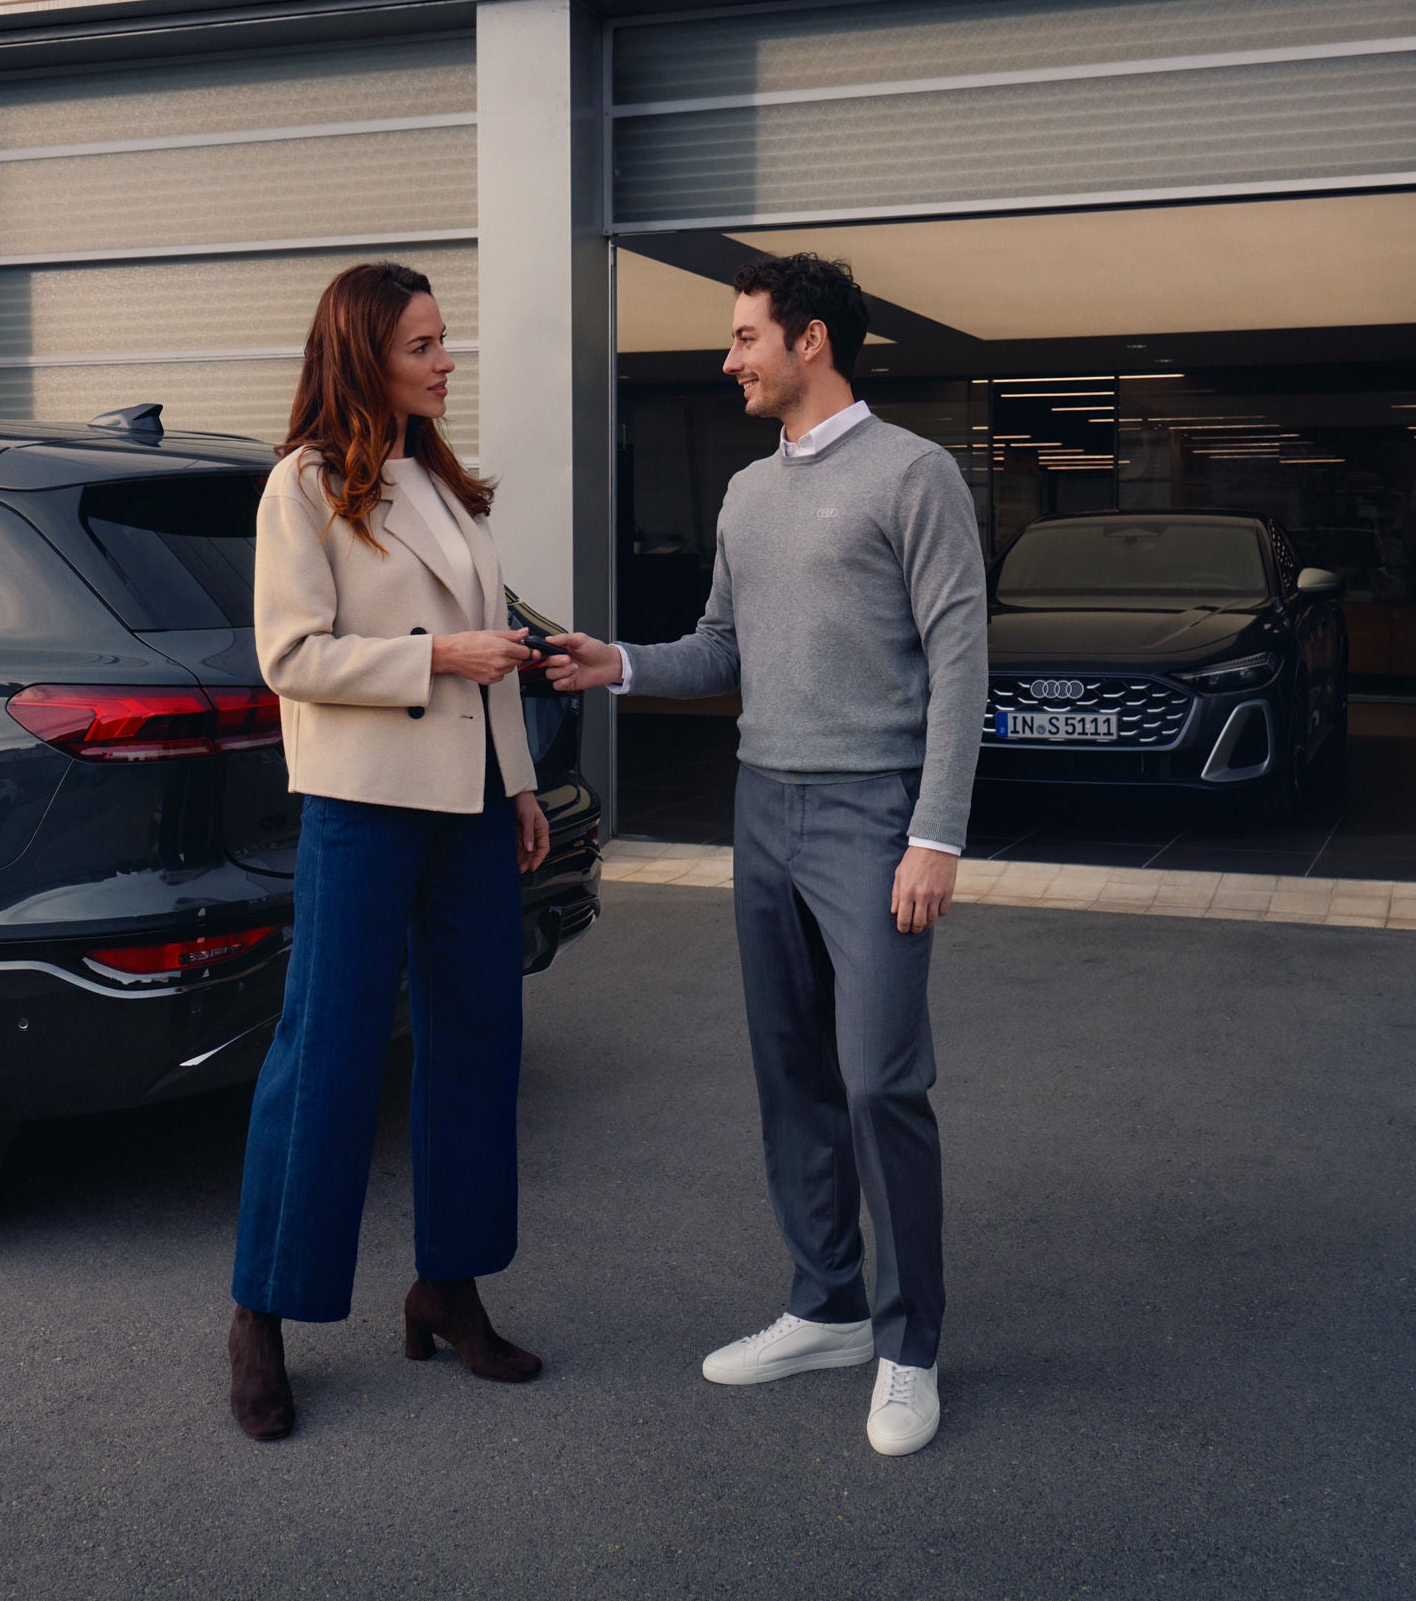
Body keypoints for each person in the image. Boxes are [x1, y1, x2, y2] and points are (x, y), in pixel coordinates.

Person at [546, 252, 986, 1457]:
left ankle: (910, 1347)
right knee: (791, 1073)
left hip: (872, 812)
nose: (729, 358)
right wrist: (617, 663)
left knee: (881, 1077)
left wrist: (933, 833)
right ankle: (828, 1303)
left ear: (811, 344)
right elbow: (720, 649)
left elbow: (959, 658)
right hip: (763, 808)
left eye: (746, 337)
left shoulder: (915, 473)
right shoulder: (745, 496)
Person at [227, 261, 551, 1441]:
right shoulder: (303, 486)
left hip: (468, 801)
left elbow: (496, 645)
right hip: (362, 803)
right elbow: (290, 656)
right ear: (365, 353)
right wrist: (433, 661)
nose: (445, 361)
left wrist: (517, 785)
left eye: (444, 342)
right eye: (423, 345)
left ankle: (448, 1288)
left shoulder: (444, 482)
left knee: (475, 1045)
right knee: (328, 1055)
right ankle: (262, 1313)